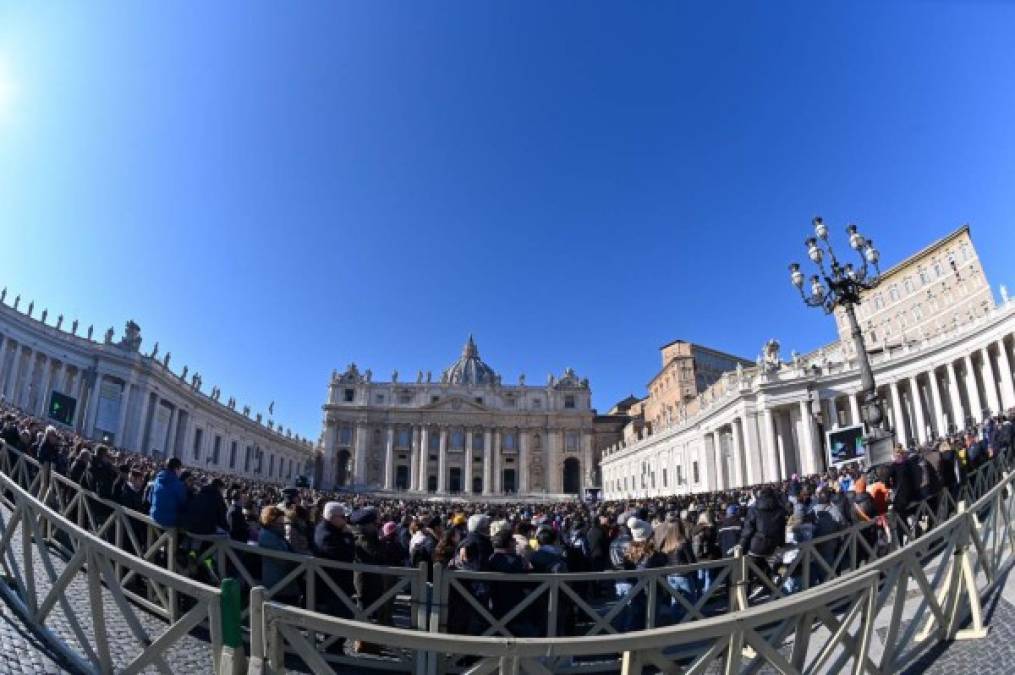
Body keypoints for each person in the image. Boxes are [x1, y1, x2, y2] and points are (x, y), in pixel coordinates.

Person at [314, 501, 355, 652]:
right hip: (332, 584)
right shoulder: (326, 534)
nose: (346, 520)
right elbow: (347, 555)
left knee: (340, 617)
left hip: (335, 583)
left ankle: (333, 647)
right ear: (332, 517)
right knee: (339, 617)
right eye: (343, 517)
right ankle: (332, 650)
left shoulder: (326, 529)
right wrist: (349, 536)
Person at [257, 505, 299, 603]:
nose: (283, 527)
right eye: (280, 524)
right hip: (278, 584)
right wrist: (299, 563)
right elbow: (284, 561)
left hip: (283, 583)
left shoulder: (275, 534)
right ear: (271, 521)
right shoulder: (268, 536)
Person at [149, 458, 188, 528]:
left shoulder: (157, 479)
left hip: (154, 515)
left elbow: (150, 498)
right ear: (176, 469)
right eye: (180, 469)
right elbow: (182, 504)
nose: (181, 472)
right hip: (169, 521)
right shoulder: (179, 485)